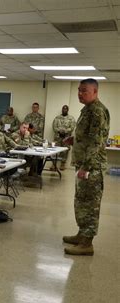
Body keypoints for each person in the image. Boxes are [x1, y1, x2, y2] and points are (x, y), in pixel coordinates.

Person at [63, 78, 110, 256]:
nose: (80, 93)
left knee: (90, 204)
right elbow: (87, 137)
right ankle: (82, 235)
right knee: (81, 201)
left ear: (95, 92)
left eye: (84, 90)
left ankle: (87, 244)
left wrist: (87, 167)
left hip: (92, 167)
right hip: (84, 164)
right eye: (79, 90)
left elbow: (97, 142)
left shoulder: (97, 111)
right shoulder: (88, 109)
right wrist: (73, 140)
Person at [52, 105, 76, 170]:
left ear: (68, 110)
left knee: (65, 150)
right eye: (63, 109)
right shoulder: (57, 118)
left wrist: (65, 131)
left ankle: (63, 164)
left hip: (66, 137)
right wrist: (59, 131)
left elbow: (72, 127)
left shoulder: (71, 118)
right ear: (62, 109)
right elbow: (54, 127)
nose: (64, 110)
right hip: (58, 137)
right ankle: (53, 165)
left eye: (66, 109)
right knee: (55, 150)